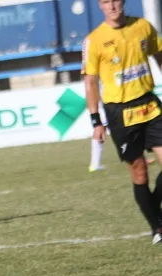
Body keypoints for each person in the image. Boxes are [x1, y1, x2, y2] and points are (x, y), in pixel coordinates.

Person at [83, 0, 162, 243]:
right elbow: (90, 82)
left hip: (149, 105)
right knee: (140, 172)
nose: (112, 5)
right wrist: (97, 121)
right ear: (100, 5)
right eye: (106, 1)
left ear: (123, 2)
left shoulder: (143, 27)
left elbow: (159, 56)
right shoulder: (94, 40)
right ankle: (157, 227)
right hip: (120, 113)